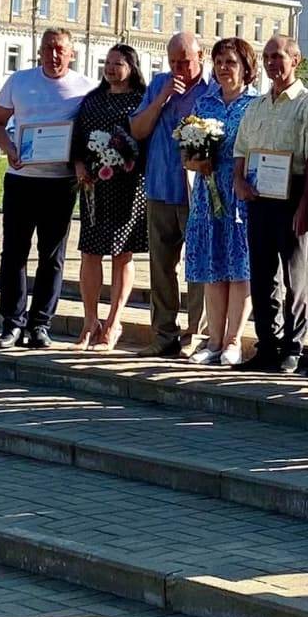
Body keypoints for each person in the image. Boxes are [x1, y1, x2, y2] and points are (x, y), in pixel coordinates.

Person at [0, 28, 94, 350]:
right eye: (48, 48)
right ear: (40, 51)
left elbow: (89, 133)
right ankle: (12, 324)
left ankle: (40, 325)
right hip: (21, 180)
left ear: (72, 53)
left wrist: (79, 161)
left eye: (60, 49)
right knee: (14, 254)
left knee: (52, 257)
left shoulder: (85, 88)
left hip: (61, 184)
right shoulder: (19, 81)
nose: (54, 54)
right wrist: (9, 147)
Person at [231, 36, 308, 374]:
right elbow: (241, 149)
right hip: (258, 197)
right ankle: (266, 344)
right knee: (261, 275)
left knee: (294, 275)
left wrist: (305, 204)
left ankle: (292, 348)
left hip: (292, 195)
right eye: (267, 57)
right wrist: (239, 181)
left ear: (295, 59)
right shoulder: (255, 105)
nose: (272, 63)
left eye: (279, 56)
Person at [129, 32, 211, 357]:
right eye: (173, 62)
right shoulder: (160, 84)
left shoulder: (211, 90)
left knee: (198, 266)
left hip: (198, 193)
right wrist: (162, 96)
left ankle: (197, 336)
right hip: (160, 186)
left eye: (185, 62)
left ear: (200, 57)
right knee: (161, 266)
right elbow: (138, 129)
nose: (179, 69)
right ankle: (163, 336)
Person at [183, 38, 259, 368]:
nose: (224, 68)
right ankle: (213, 340)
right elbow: (186, 149)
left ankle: (232, 341)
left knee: (239, 268)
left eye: (230, 62)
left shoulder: (255, 105)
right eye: (219, 62)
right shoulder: (204, 103)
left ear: (245, 67)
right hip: (208, 190)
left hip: (240, 193)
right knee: (213, 268)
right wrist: (195, 161)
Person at [70, 44, 148, 352]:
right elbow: (77, 140)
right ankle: (90, 322)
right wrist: (79, 167)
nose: (111, 68)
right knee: (90, 252)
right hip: (93, 186)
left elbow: (145, 139)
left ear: (132, 67)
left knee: (122, 254)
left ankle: (114, 323)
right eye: (108, 63)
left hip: (128, 187)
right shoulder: (93, 100)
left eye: (118, 64)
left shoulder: (140, 100)